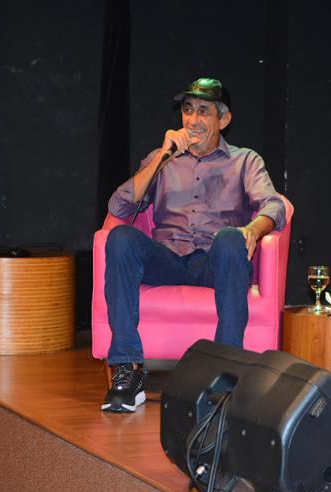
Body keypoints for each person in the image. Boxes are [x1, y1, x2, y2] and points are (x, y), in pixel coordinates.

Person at [101, 78, 287, 413]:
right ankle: (128, 370)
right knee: (120, 238)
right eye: (187, 110)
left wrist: (252, 230)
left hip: (213, 263)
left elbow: (274, 206)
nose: (192, 119)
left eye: (203, 111)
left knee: (231, 238)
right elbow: (119, 206)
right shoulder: (163, 159)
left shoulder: (245, 161)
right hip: (167, 259)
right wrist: (162, 156)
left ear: (223, 120)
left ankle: (226, 373)